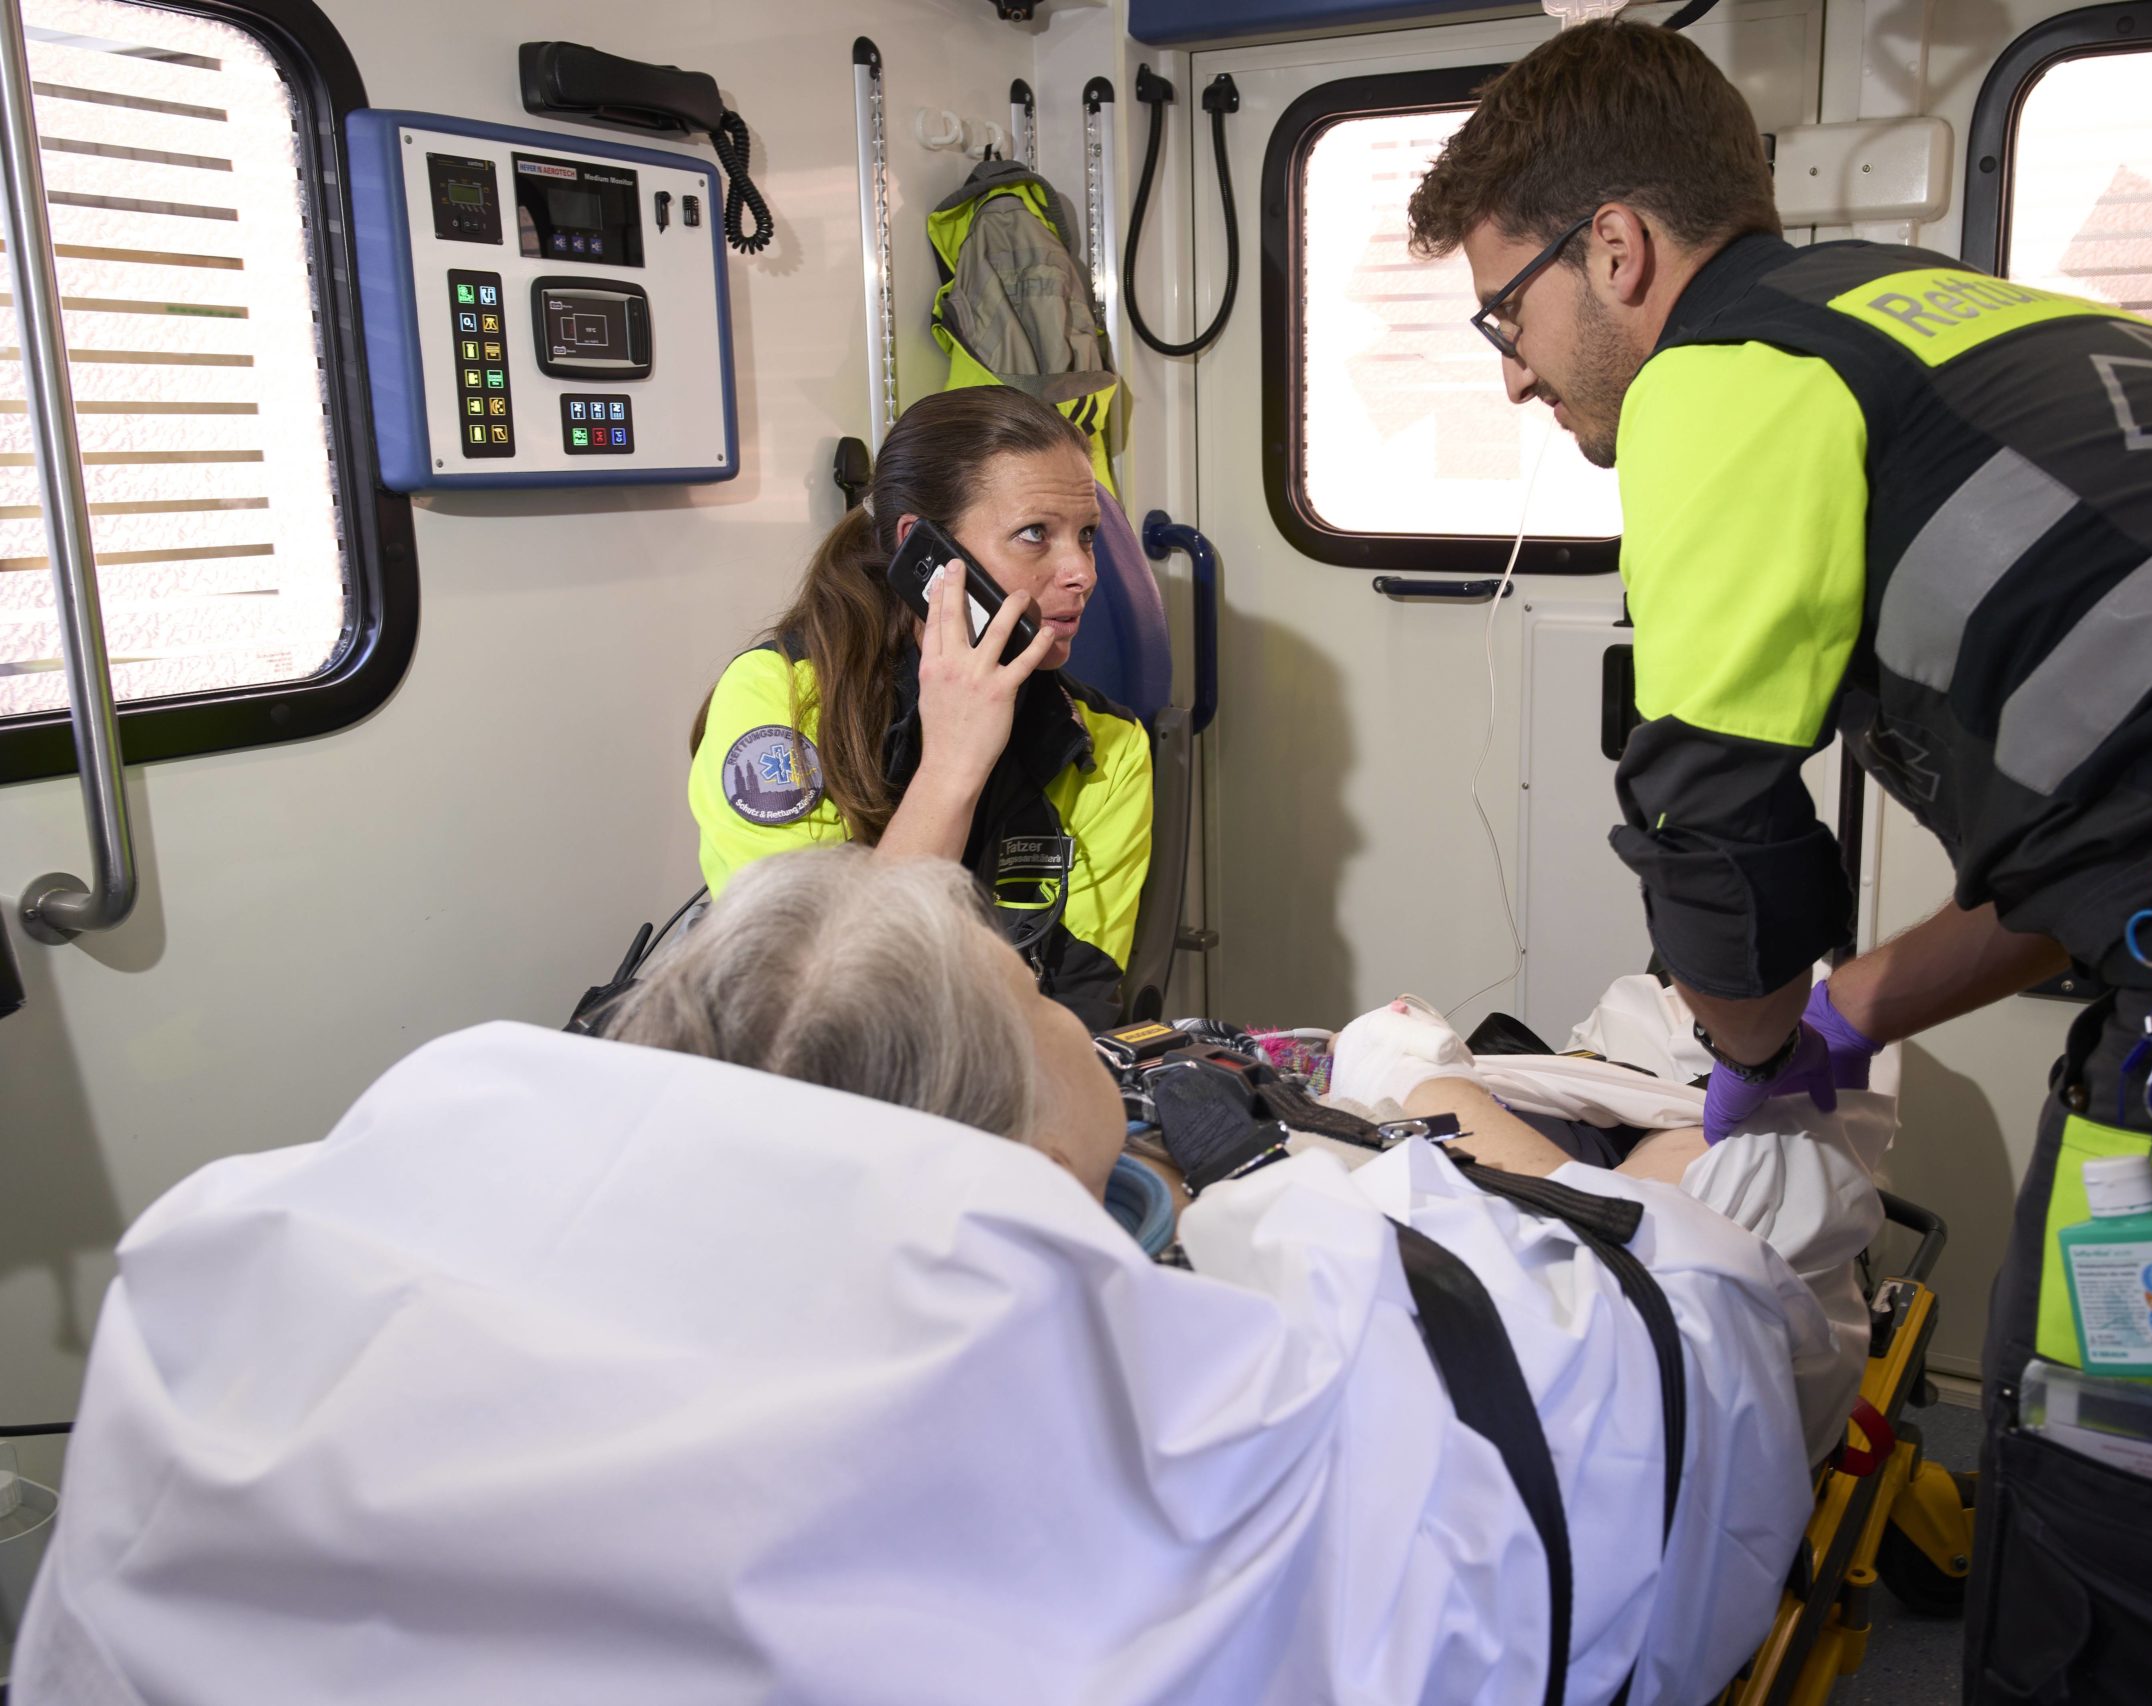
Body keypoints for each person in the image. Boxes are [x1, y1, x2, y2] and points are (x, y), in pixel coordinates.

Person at [1407, 17, 2152, 1703]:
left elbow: (1707, 824)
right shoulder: (1983, 327)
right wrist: (1844, 1019)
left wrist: (1746, 1061)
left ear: (1622, 250)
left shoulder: (1724, 378)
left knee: (2112, 1594)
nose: (1514, 372)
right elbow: (2149, 828)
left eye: (1507, 315)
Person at [13, 845, 1830, 1705]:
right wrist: (1475, 1151)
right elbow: (1663, 1428)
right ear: (1016, 1140)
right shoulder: (1232, 1339)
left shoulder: (288, 1243)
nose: (1084, 1019)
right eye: (1055, 1006)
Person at [687, 386, 1151, 1029]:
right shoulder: (781, 702)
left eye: (1089, 535)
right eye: (1035, 534)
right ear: (926, 551)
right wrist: (952, 764)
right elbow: (814, 1006)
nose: (1082, 572)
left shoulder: (1108, 747)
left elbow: (1076, 1013)